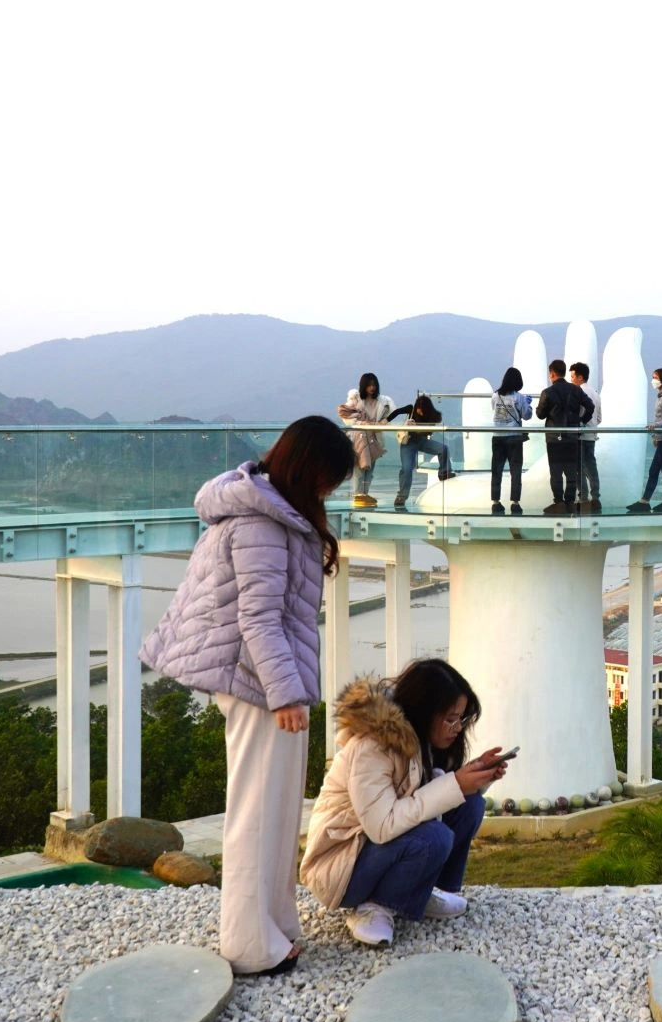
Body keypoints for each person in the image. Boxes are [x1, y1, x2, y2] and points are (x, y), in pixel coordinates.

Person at [141, 415, 353, 976]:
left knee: (279, 811)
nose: (331, 490)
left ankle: (275, 928)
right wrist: (285, 694)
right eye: (330, 478)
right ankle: (247, 944)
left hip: (269, 682)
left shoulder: (276, 512)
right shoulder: (261, 522)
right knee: (257, 813)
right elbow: (258, 618)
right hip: (257, 683)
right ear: (310, 468)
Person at [300, 658, 509, 948]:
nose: (457, 728)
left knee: (471, 804)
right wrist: (455, 784)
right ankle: (374, 906)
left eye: (461, 719)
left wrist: (475, 777)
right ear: (425, 711)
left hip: (373, 850)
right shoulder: (371, 747)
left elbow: (427, 796)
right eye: (451, 718)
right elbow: (381, 827)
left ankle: (421, 893)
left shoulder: (423, 741)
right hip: (343, 866)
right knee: (433, 837)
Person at [535, 358, 593, 515]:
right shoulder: (576, 390)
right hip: (572, 436)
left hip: (554, 437)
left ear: (552, 373)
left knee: (556, 471)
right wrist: (581, 421)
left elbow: (540, 414)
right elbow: (590, 406)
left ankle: (559, 502)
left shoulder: (547, 392)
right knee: (571, 471)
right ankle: (570, 502)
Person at [388, 393, 456, 510]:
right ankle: (402, 496)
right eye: (418, 408)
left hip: (421, 440)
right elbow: (397, 412)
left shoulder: (432, 416)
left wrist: (420, 428)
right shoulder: (411, 409)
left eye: (422, 409)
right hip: (408, 441)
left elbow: (429, 432)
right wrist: (385, 421)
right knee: (407, 468)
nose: (419, 411)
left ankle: (444, 473)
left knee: (443, 449)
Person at [626, 367, 662, 512]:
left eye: (655, 377)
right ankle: (649, 501)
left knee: (660, 470)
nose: (653, 380)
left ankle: (660, 502)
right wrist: (656, 435)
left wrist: (655, 427)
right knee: (657, 470)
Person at [337, 373, 394, 508]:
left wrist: (382, 424)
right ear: (364, 386)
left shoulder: (382, 401)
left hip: (374, 437)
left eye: (374, 385)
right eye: (369, 385)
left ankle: (365, 495)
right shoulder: (356, 399)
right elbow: (344, 414)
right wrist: (358, 422)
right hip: (359, 437)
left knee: (370, 469)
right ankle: (358, 495)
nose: (372, 388)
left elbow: (391, 414)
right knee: (359, 468)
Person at [489, 367, 534, 515]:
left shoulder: (495, 395)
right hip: (514, 437)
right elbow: (526, 416)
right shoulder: (518, 397)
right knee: (515, 471)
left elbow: (493, 410)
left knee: (497, 470)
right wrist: (528, 404)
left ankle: (496, 502)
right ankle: (515, 503)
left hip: (497, 437)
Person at [570, 361, 602, 513]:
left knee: (578, 468)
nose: (571, 380)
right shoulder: (596, 393)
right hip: (591, 435)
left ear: (580, 377)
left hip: (580, 434)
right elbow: (599, 418)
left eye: (573, 376)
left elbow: (574, 413)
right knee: (591, 467)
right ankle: (595, 498)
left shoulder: (578, 392)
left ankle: (583, 498)